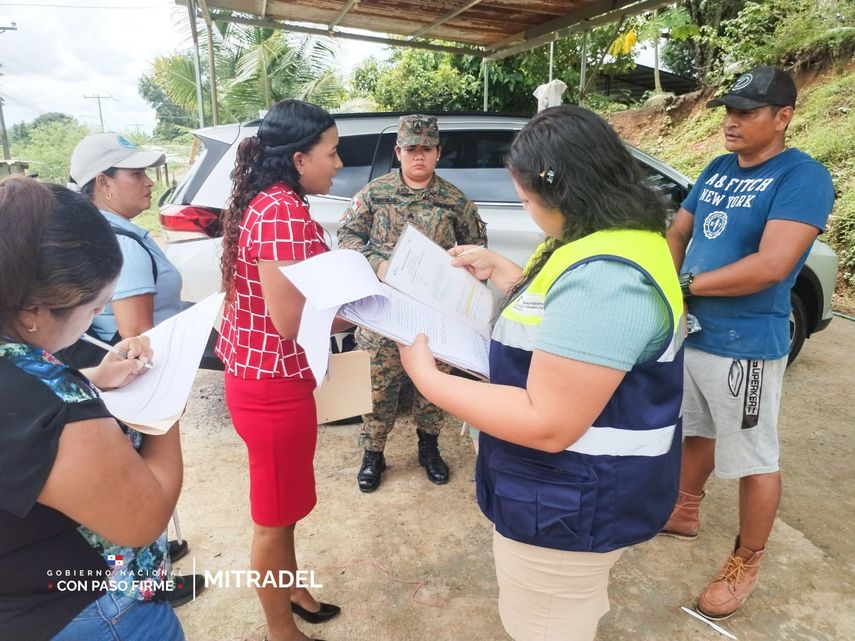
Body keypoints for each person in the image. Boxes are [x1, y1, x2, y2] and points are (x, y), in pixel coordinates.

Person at [397, 104, 685, 641]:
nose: (525, 210)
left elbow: (548, 420)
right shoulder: (611, 238)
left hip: (569, 506)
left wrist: (430, 379)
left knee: (547, 628)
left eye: (527, 199)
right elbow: (565, 322)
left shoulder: (607, 278)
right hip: (569, 494)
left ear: (565, 194)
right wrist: (505, 274)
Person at [661, 66, 835, 619]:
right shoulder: (715, 168)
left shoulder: (801, 177)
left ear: (783, 117)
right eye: (729, 111)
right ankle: (684, 510)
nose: (732, 122)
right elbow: (678, 232)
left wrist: (686, 285)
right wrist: (677, 293)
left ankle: (746, 560)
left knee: (755, 458)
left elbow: (772, 265)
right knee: (697, 429)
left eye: (747, 112)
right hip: (695, 332)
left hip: (746, 343)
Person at [0, 177, 184, 641]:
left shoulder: (28, 375)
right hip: (90, 611)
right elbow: (142, 517)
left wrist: (92, 378)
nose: (99, 317)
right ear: (33, 313)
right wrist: (167, 405)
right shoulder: (53, 404)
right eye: (95, 306)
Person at [216, 99, 346, 641]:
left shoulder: (273, 202)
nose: (338, 164)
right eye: (332, 153)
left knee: (287, 503)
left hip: (268, 378)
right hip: (272, 386)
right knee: (273, 516)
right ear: (298, 159)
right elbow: (290, 320)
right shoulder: (282, 213)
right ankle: (278, 630)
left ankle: (290, 588)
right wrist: (359, 300)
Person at [64, 132, 202, 606]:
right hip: (139, 386)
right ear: (103, 183)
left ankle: (156, 571)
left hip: (120, 385)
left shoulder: (115, 231)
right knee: (144, 489)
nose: (148, 183)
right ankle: (150, 585)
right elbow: (138, 337)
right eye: (136, 174)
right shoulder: (117, 242)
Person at [337, 114, 487, 492]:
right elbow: (347, 237)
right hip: (382, 311)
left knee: (432, 384)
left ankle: (429, 445)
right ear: (398, 152)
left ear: (437, 152)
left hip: (435, 315)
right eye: (411, 149)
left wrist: (463, 266)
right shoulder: (374, 194)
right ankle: (373, 453)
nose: (418, 156)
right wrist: (379, 264)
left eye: (426, 149)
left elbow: (478, 248)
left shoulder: (454, 201)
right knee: (377, 386)